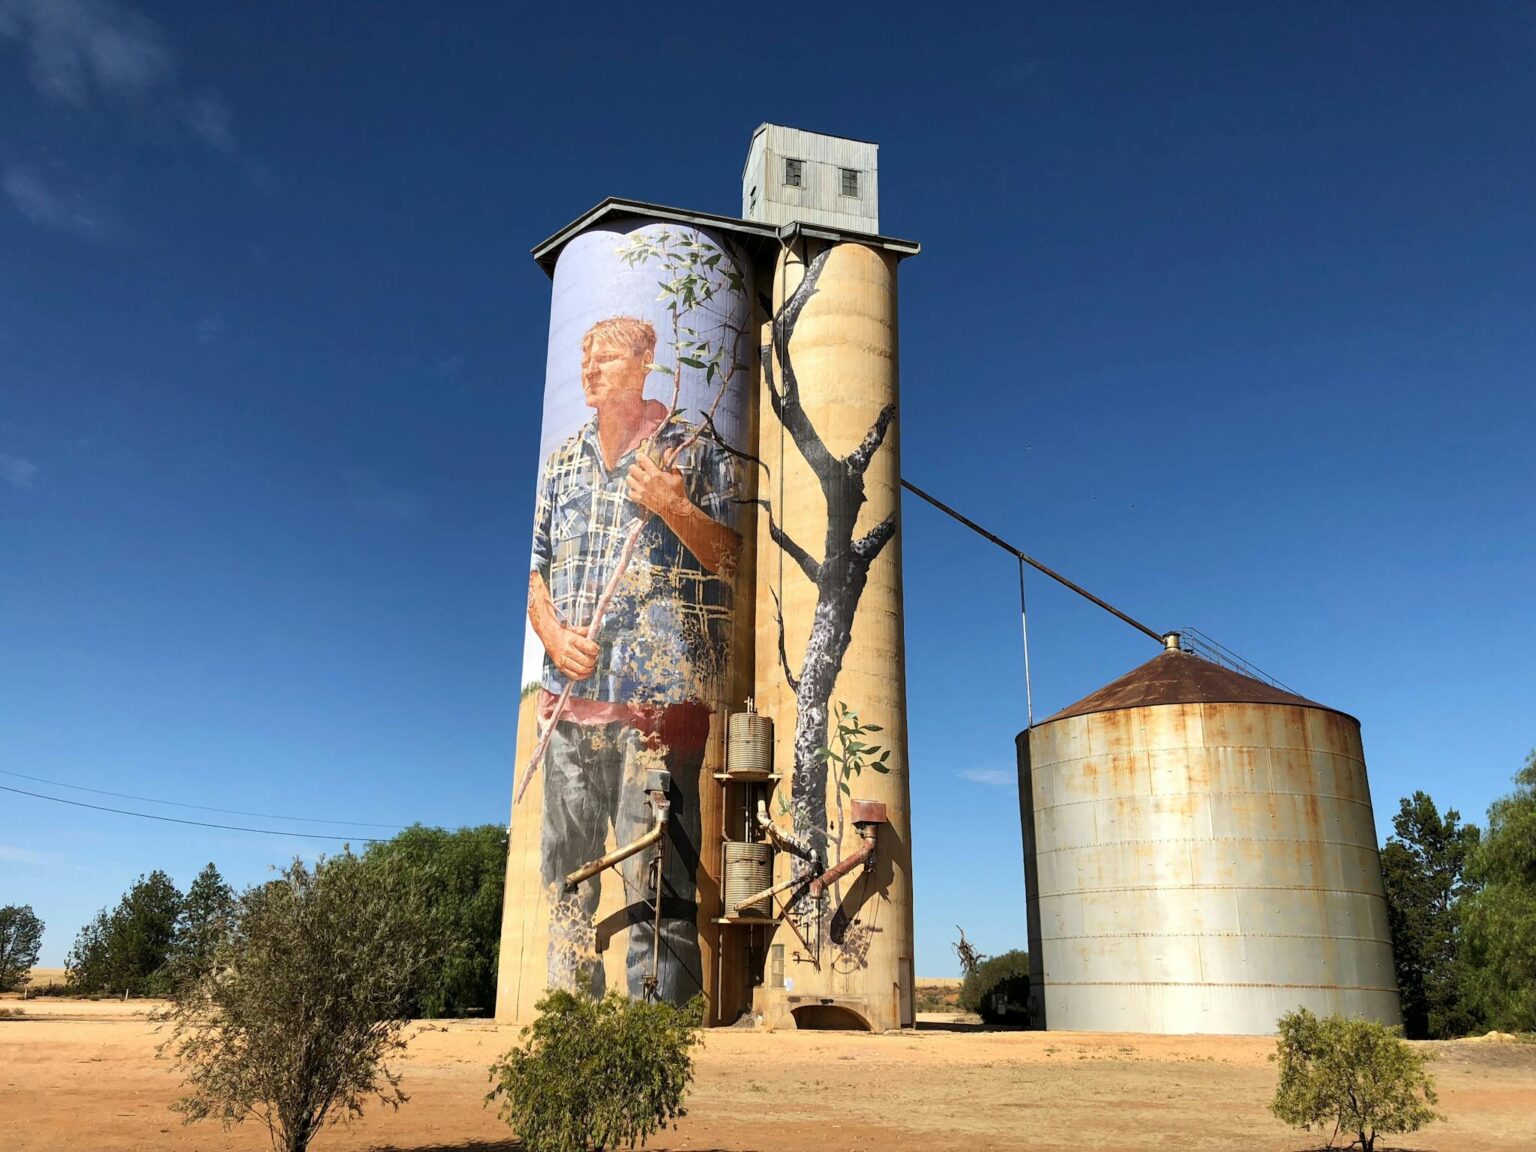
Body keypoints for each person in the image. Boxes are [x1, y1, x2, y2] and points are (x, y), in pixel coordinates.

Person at [527, 315, 739, 1002]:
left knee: (659, 894)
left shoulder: (690, 447)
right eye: (585, 357)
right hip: (566, 713)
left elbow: (737, 560)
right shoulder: (561, 460)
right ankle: (566, 1024)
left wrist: (678, 509)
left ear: (646, 362)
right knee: (564, 885)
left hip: (657, 711)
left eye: (608, 357)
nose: (590, 369)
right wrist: (555, 637)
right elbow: (533, 575)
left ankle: (661, 1038)